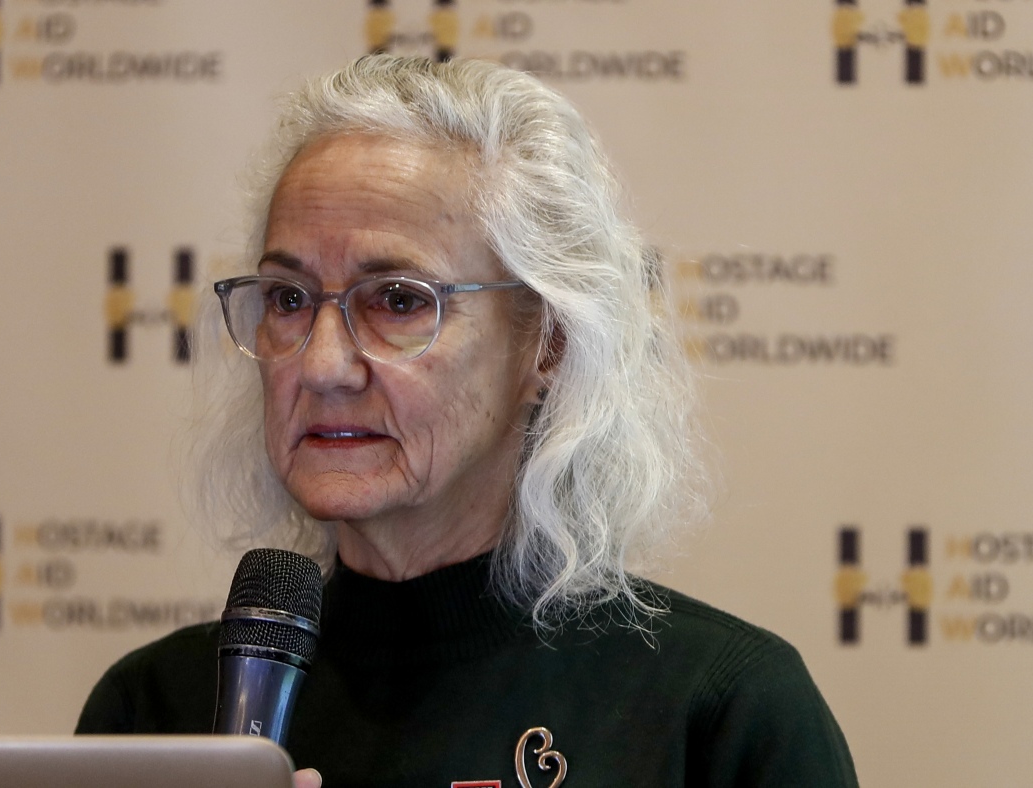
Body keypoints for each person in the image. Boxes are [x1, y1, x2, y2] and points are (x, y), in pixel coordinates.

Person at [77, 55, 858, 788]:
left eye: (398, 301)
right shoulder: (157, 712)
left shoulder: (719, 713)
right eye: (288, 299)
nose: (321, 365)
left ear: (547, 343)